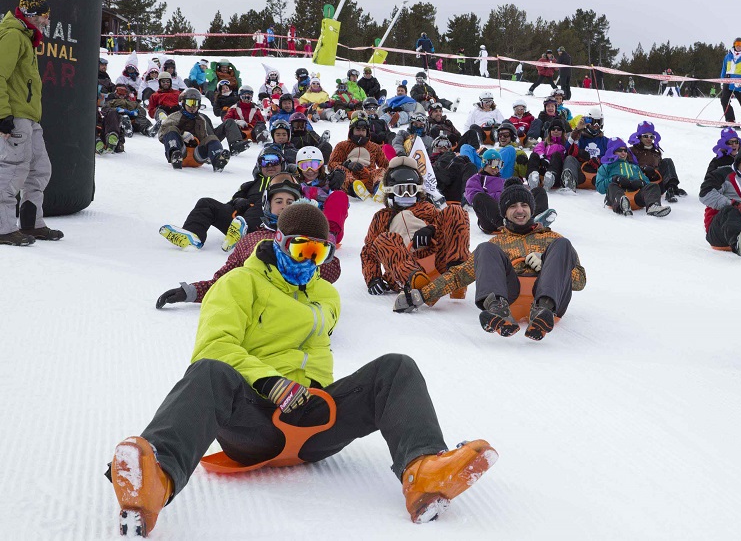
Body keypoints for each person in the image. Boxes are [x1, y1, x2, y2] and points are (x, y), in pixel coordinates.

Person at [109, 202, 496, 537]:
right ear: (279, 243)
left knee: (396, 369)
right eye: (302, 249)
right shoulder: (238, 283)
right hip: (254, 423)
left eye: (320, 253)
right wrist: (269, 382)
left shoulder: (326, 296)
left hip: (312, 423)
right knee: (209, 371)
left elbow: (315, 351)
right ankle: (154, 480)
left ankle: (423, 473)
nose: (310, 262)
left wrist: (315, 394)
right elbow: (214, 345)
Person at [394, 183, 585, 341]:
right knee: (484, 249)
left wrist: (547, 263)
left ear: (531, 209)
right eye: (512, 206)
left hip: (550, 306)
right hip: (512, 299)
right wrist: (420, 295)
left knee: (563, 244)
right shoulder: (498, 243)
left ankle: (543, 311)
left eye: (524, 205)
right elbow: (459, 275)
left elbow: (579, 282)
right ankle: (498, 310)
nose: (519, 210)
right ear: (504, 212)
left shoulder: (552, 238)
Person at [0, 0, 62, 246]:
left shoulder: (25, 37)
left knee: (39, 168)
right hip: (15, 115)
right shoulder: (13, 36)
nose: (47, 21)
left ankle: (31, 222)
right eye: (45, 16)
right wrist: (3, 114)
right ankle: (3, 228)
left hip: (29, 116)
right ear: (33, 16)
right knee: (13, 169)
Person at [361, 157, 471, 296]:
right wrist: (373, 278)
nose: (406, 195)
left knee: (455, 211)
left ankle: (456, 270)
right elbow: (368, 251)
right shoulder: (382, 217)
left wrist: (431, 229)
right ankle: (414, 280)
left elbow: (447, 227)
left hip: (436, 260)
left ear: (418, 190)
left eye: (411, 190)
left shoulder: (426, 208)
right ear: (390, 191)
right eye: (401, 190)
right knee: (383, 239)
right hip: (402, 269)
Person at [159, 145, 287, 250]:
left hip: (269, 223)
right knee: (206, 203)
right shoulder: (249, 185)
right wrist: (238, 202)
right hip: (238, 224)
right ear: (260, 166)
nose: (270, 165)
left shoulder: (288, 182)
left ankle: (243, 232)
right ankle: (193, 236)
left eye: (274, 161)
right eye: (265, 162)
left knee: (266, 200)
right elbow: (231, 203)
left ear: (282, 164)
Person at [467, 150, 549, 234]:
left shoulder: (503, 181)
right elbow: (472, 198)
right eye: (494, 164)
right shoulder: (476, 179)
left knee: (538, 191)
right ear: (485, 163)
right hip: (491, 220)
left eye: (500, 165)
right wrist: (502, 196)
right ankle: (506, 224)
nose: (497, 168)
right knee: (479, 197)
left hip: (511, 214)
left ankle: (534, 219)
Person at [596, 138, 670, 218]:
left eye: (625, 151)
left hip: (635, 197)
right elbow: (600, 187)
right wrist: (614, 179)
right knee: (612, 186)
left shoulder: (634, 167)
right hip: (616, 196)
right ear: (612, 152)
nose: (623, 153)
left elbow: (647, 182)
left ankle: (653, 206)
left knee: (653, 186)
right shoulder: (606, 167)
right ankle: (622, 204)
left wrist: (641, 183)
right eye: (620, 151)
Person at [159, 88, 230, 171]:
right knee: (171, 129)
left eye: (195, 103)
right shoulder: (174, 117)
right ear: (184, 103)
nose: (192, 106)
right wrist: (181, 135)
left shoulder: (201, 120)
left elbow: (204, 139)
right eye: (189, 103)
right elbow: (161, 134)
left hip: (197, 156)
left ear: (199, 105)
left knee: (211, 138)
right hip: (182, 152)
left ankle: (218, 159)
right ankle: (175, 155)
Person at [294, 146, 350, 245]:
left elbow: (342, 206)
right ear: (298, 167)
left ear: (321, 166)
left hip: (327, 226)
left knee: (339, 195)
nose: (310, 170)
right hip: (301, 228)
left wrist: (339, 178)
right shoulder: (295, 183)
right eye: (305, 166)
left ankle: (329, 236)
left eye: (314, 165)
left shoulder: (329, 182)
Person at [327, 117, 389, 200]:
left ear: (367, 132)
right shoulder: (342, 146)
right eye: (358, 130)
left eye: (363, 130)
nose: (360, 133)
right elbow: (331, 164)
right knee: (340, 170)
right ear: (352, 131)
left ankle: (378, 188)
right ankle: (354, 188)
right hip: (350, 176)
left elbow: (385, 165)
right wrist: (347, 164)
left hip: (368, 176)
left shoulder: (374, 147)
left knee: (380, 171)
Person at [627, 121, 686, 202]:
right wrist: (643, 169)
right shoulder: (631, 151)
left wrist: (655, 173)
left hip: (657, 183)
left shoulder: (655, 152)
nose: (649, 139)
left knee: (667, 161)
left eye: (651, 137)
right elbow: (628, 168)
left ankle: (671, 188)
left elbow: (663, 170)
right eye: (646, 136)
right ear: (639, 137)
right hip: (641, 185)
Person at [562, 107, 610, 191]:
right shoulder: (579, 137)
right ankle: (569, 183)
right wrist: (577, 130)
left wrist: (600, 160)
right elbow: (566, 151)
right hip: (581, 173)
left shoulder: (605, 141)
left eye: (599, 122)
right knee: (569, 158)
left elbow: (612, 156)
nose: (596, 126)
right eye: (594, 122)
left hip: (598, 175)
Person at [526, 119, 568, 190]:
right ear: (549, 131)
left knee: (556, 155)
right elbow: (537, 149)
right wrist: (543, 158)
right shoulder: (544, 143)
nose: (556, 131)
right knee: (534, 155)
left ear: (563, 132)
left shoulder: (565, 144)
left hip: (556, 169)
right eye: (553, 129)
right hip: (543, 167)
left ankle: (551, 177)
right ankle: (532, 176)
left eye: (559, 129)